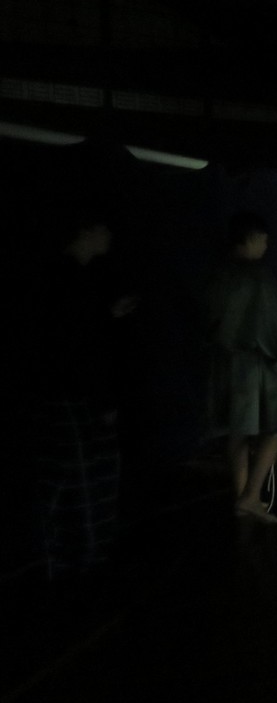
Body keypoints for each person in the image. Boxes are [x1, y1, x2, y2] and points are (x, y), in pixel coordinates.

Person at [33, 207, 137, 597]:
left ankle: (69, 561)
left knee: (73, 478)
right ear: (87, 231)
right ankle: (81, 563)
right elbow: (77, 346)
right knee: (83, 478)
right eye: (104, 227)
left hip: (67, 394)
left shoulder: (68, 278)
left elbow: (74, 335)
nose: (109, 235)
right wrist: (103, 399)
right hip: (74, 396)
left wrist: (106, 315)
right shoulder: (69, 280)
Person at [205, 211, 277, 525]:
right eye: (263, 239)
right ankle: (250, 496)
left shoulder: (219, 274)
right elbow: (271, 327)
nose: (266, 245)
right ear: (251, 238)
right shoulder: (258, 277)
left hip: (228, 364)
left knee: (238, 430)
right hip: (258, 364)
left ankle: (242, 498)